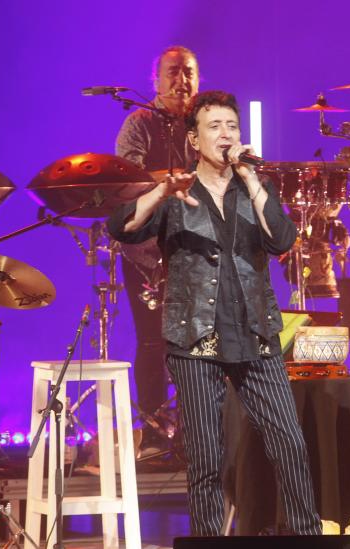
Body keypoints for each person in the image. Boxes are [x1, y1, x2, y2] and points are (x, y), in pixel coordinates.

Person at [107, 90, 322, 536]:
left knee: (290, 444)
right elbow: (121, 228)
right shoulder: (173, 194)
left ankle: (307, 536)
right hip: (195, 338)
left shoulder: (256, 189)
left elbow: (282, 239)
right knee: (206, 458)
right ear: (194, 140)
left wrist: (253, 178)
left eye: (232, 126)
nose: (225, 135)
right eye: (214, 127)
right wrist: (162, 189)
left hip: (256, 335)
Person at [115, 45, 199, 454]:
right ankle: (152, 430)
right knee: (153, 341)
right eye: (174, 72)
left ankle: (193, 432)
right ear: (157, 79)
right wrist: (174, 178)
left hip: (195, 250)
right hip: (146, 252)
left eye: (189, 72)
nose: (182, 81)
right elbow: (125, 179)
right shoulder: (139, 122)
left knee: (198, 341)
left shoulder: (205, 122)